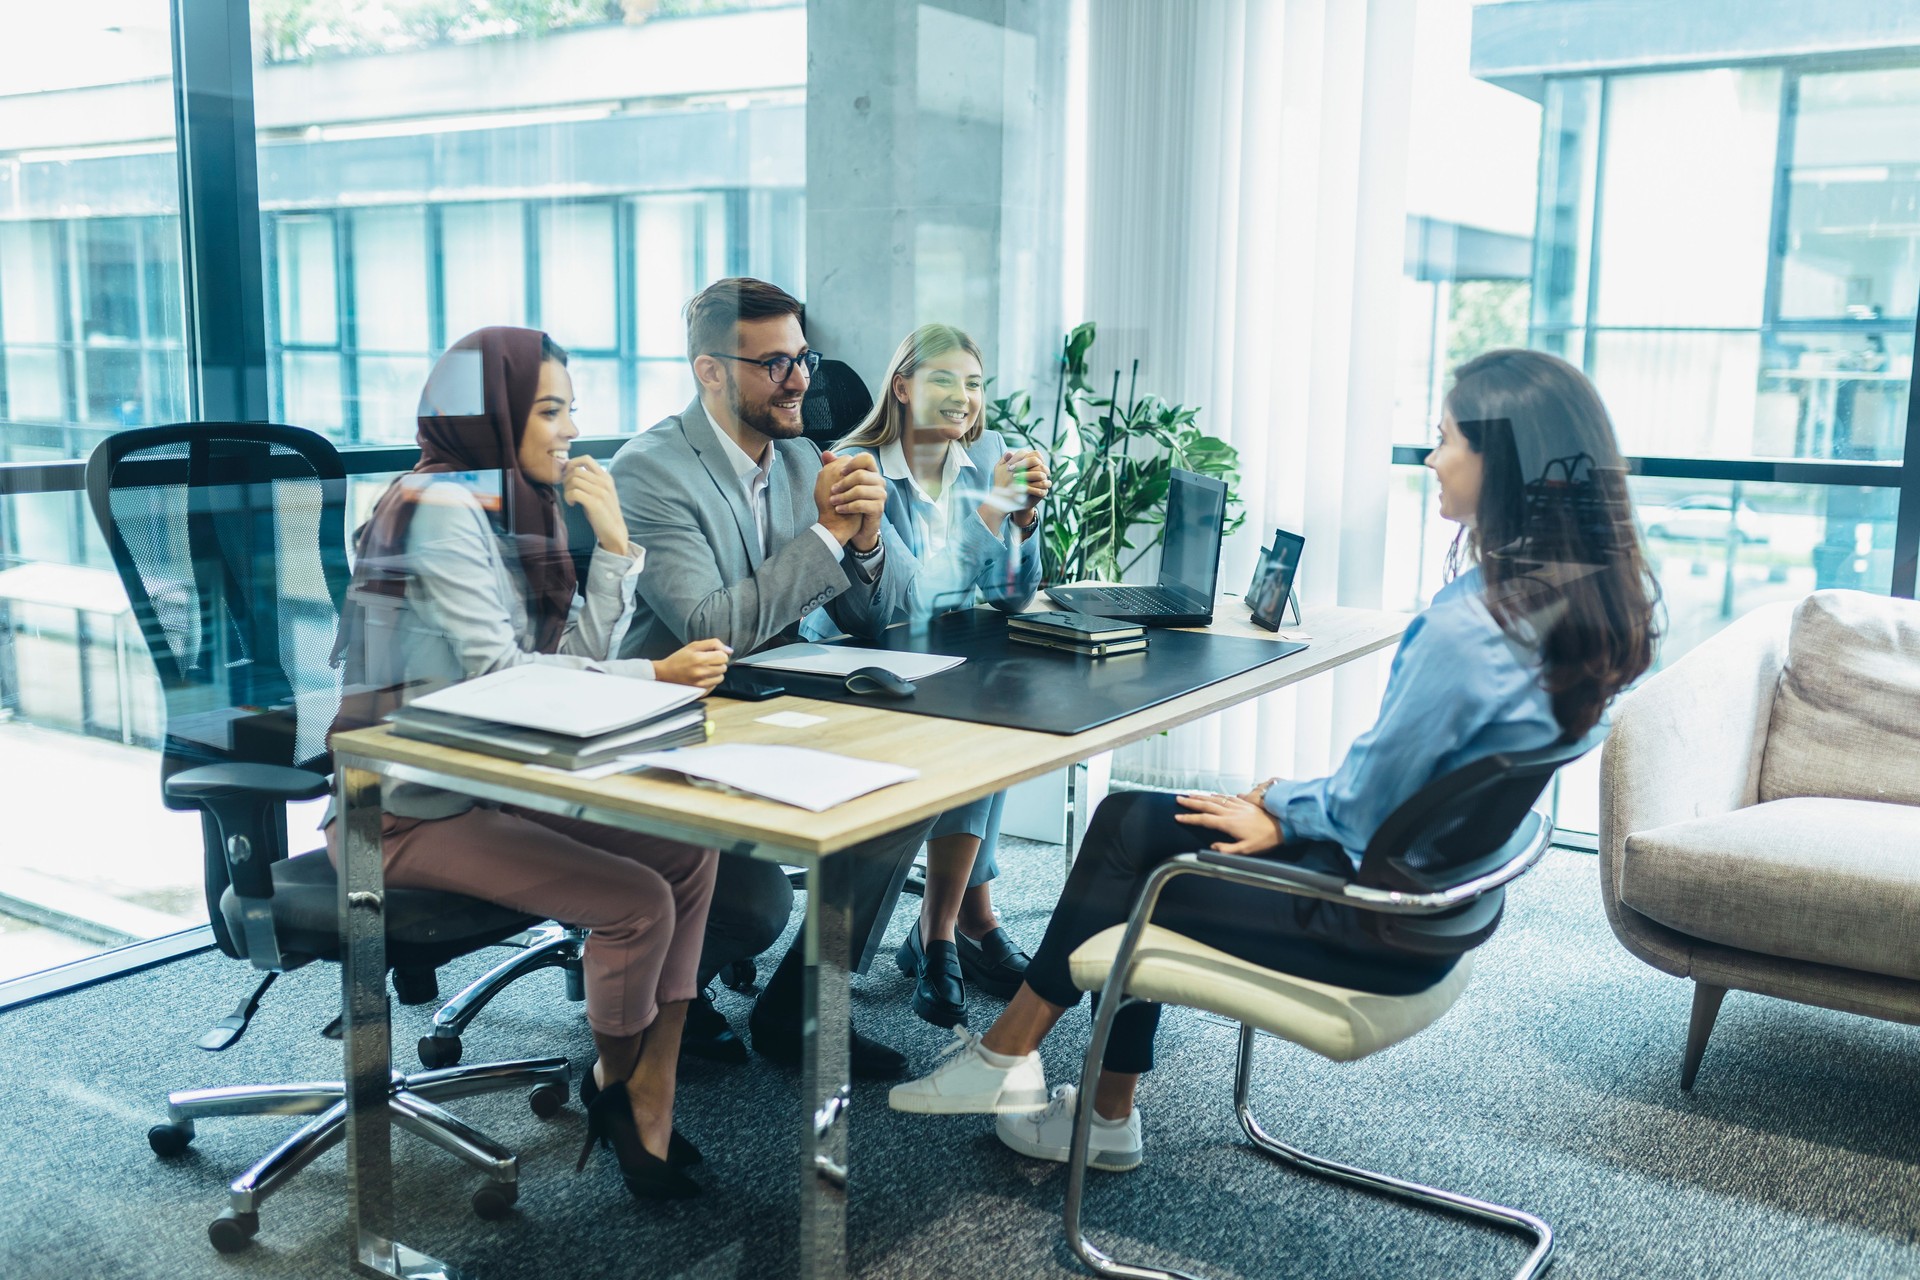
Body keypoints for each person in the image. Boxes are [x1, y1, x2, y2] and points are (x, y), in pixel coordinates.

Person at [887, 348, 1661, 1172]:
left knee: (1133, 853)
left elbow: (1369, 802)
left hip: (1365, 920)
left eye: (1444, 440)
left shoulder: (1469, 630)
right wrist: (1285, 805)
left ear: (1499, 461)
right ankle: (1087, 1103)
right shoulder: (1595, 609)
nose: (1431, 459)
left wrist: (1282, 804)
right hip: (1431, 904)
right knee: (1138, 822)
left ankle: (1017, 1063)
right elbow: (1412, 791)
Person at [327, 326, 731, 1201]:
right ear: (492, 413)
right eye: (548, 409)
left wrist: (615, 546)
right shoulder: (438, 508)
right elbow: (504, 681)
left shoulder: (510, 505)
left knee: (691, 849)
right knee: (636, 902)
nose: (569, 431)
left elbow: (563, 663)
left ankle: (638, 1086)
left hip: (484, 785)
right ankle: (621, 1091)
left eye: (572, 409)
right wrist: (648, 674)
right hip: (399, 814)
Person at [607, 278, 934, 1079]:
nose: (801, 382)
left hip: (772, 708)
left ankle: (799, 1010)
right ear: (710, 371)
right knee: (757, 907)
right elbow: (712, 628)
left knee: (914, 791)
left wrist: (865, 541)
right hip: (670, 724)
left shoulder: (802, 460)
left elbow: (899, 615)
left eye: (804, 359)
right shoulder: (648, 472)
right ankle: (641, 1001)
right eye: (775, 364)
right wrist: (825, 535)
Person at [832, 323, 1050, 1029]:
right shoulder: (856, 465)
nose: (964, 397)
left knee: (1004, 704)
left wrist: (1024, 521)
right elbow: (891, 604)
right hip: (853, 662)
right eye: (944, 380)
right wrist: (987, 513)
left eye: (975, 383)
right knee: (972, 720)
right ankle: (946, 932)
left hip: (948, 660)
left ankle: (952, 928)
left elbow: (1014, 594)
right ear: (901, 387)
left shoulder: (982, 457)